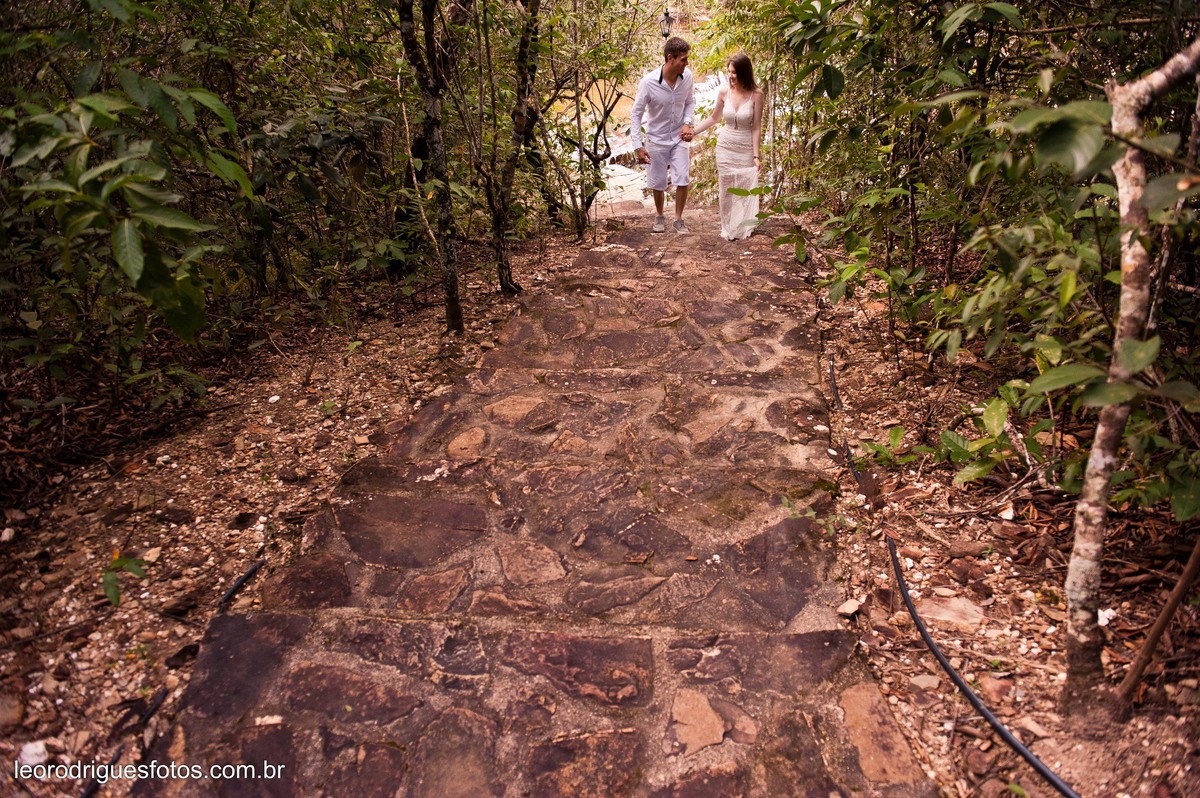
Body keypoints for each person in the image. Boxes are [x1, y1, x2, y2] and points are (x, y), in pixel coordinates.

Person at [691, 53, 764, 240]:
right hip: (725, 146)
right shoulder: (724, 92)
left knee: (744, 188)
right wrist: (693, 132)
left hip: (745, 146)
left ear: (744, 73)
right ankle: (728, 228)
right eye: (729, 72)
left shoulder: (757, 95)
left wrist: (756, 156)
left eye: (735, 72)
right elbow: (714, 118)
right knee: (726, 188)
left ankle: (743, 226)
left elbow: (756, 127)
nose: (731, 76)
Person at [630, 37, 696, 234]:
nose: (687, 63)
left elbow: (690, 102)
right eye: (683, 59)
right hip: (656, 138)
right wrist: (638, 146)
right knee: (658, 181)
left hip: (679, 137)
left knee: (683, 177)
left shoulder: (688, 77)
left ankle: (678, 219)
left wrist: (687, 123)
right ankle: (659, 216)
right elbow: (636, 113)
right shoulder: (648, 82)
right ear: (670, 58)